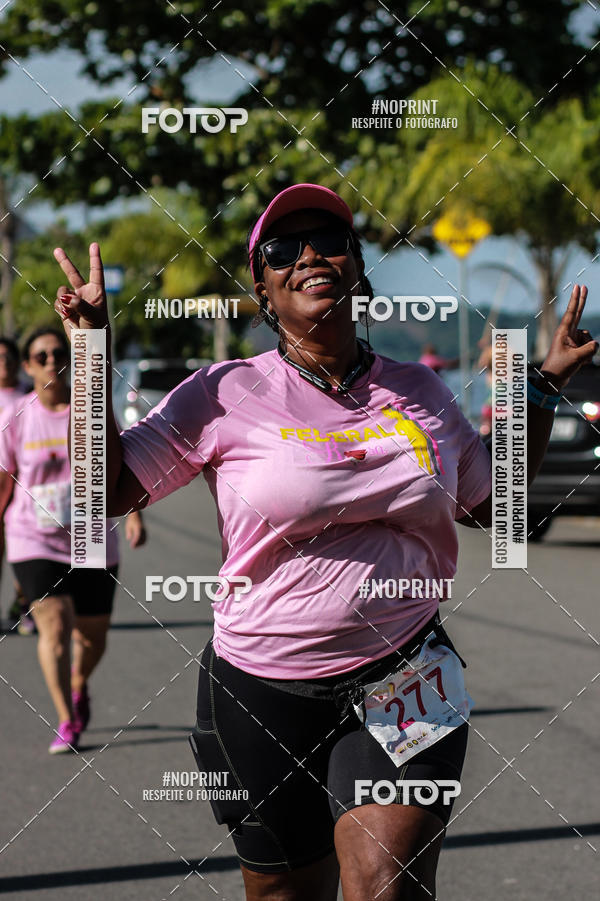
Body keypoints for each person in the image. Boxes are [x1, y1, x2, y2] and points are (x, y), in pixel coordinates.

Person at [52, 184, 596, 900]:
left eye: (330, 241)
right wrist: (91, 352)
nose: (310, 255)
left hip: (405, 672)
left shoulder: (422, 394)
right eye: (283, 247)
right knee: (284, 892)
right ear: (263, 287)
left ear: (357, 267)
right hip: (258, 687)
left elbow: (496, 505)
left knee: (384, 883)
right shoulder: (221, 392)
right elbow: (100, 494)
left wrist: (541, 388)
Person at [0, 327, 147, 754]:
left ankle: (79, 684)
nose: (50, 362)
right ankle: (66, 718)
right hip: (32, 535)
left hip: (90, 532)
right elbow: (5, 479)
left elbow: (121, 465)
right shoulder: (16, 417)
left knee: (93, 636)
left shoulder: (90, 412)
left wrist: (134, 512)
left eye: (56, 354)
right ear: (28, 367)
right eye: (40, 356)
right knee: (54, 625)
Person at [0, 337, 32, 634]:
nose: (5, 362)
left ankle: (25, 605)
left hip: (20, 485)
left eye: (9, 356)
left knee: (22, 551)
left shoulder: (28, 395)